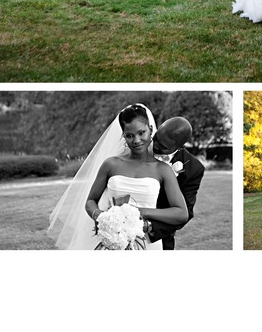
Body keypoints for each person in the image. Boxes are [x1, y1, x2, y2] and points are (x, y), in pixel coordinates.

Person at [48, 104, 188, 250]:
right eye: (129, 135)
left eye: (142, 133)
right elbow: (90, 201)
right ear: (123, 136)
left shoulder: (163, 170)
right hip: (111, 239)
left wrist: (141, 212)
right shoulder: (111, 164)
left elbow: (181, 213)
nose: (136, 140)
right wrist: (102, 218)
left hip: (146, 243)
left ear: (151, 130)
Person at [147, 116, 205, 250]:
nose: (155, 145)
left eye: (163, 146)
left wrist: (150, 227)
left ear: (180, 146)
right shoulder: (139, 145)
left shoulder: (193, 169)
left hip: (158, 239)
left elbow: (185, 213)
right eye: (156, 138)